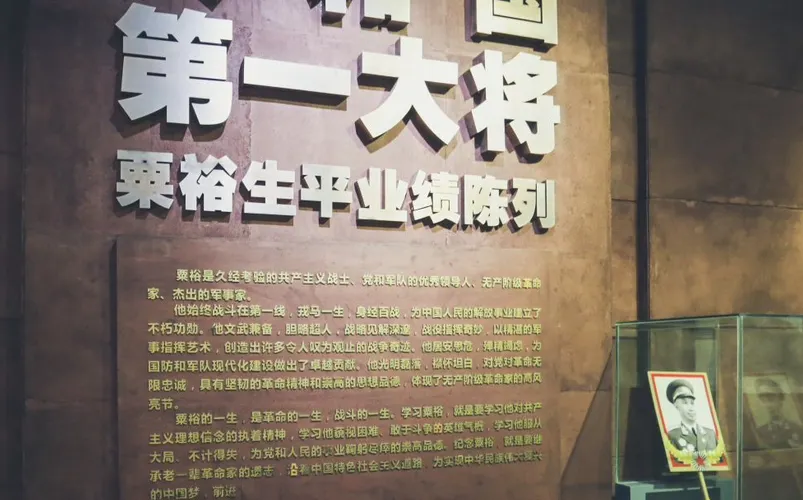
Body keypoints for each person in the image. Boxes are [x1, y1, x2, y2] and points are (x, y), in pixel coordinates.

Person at [665, 378, 719, 453]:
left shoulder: (711, 433)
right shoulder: (672, 436)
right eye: (685, 403)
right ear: (676, 405)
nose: (691, 408)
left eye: (692, 403)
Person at [753, 377, 802, 449]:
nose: (768, 405)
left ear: (781, 398)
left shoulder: (797, 428)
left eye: (771, 398)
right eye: (763, 399)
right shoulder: (759, 432)